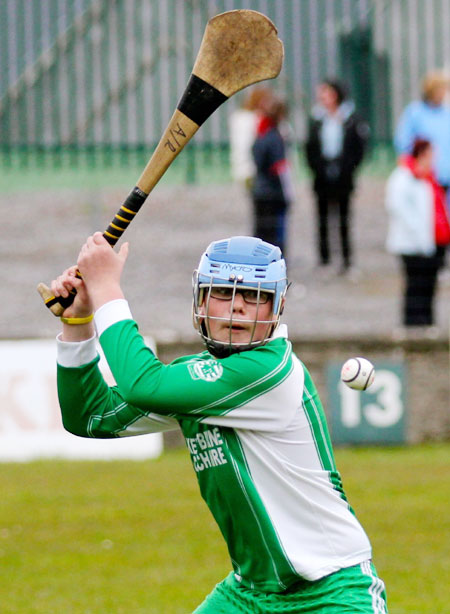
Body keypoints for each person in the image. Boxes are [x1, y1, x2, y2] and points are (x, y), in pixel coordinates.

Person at [51, 233, 388, 613]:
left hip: (330, 591)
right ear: (200, 300)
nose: (238, 308)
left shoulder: (268, 369)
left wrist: (106, 288)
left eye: (256, 296)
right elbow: (91, 417)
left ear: (277, 307)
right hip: (249, 593)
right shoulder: (196, 380)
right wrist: (78, 323)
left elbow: (142, 384)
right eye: (223, 292)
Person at [385, 138, 450, 335]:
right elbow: (397, 206)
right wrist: (417, 231)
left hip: (430, 241)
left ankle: (426, 321)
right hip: (411, 243)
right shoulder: (404, 177)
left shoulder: (426, 177)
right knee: (415, 284)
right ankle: (412, 323)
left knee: (428, 284)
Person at [305, 79, 369, 276]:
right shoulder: (317, 119)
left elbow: (359, 147)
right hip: (322, 176)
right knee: (322, 219)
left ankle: (347, 260)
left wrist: (348, 167)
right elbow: (310, 147)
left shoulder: (351, 119)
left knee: (343, 218)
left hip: (343, 176)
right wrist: (318, 167)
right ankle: (324, 259)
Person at [251, 94, 294, 257]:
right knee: (276, 236)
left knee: (261, 235)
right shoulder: (276, 138)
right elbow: (281, 170)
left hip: (260, 191)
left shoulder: (260, 135)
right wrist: (290, 194)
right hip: (274, 194)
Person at [394, 70, 450, 193]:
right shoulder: (415, 113)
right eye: (439, 89)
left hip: (447, 175)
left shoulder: (447, 114)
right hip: (426, 176)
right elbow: (402, 142)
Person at [228, 85, 274, 191]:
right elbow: (244, 145)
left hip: (248, 168)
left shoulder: (241, 118)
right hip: (253, 168)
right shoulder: (248, 119)